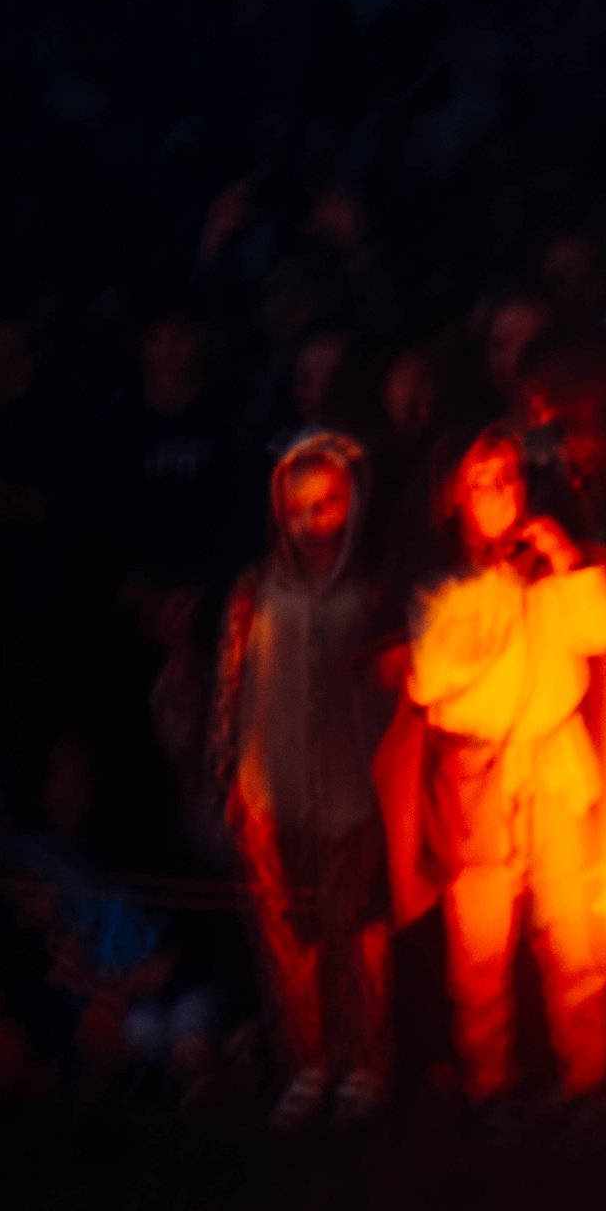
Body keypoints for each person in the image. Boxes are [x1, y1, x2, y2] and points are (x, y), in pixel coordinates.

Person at [392, 426, 606, 1112]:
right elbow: (432, 675)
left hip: (553, 768)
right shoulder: (441, 584)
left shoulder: (548, 571)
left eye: (510, 476)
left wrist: (566, 562)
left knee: (573, 929)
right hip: (477, 779)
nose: (502, 492)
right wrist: (494, 590)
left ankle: (590, 1075)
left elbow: (603, 628)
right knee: (479, 946)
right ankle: (488, 1081)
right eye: (484, 481)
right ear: (455, 498)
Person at [210, 432, 392, 1129]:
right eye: (297, 509)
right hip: (271, 789)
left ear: (353, 504)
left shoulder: (371, 592)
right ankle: (305, 1061)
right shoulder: (257, 591)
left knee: (357, 936)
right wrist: (227, 773)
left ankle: (365, 1062)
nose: (312, 523)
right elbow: (230, 687)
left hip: (354, 794)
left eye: (326, 505)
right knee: (286, 938)